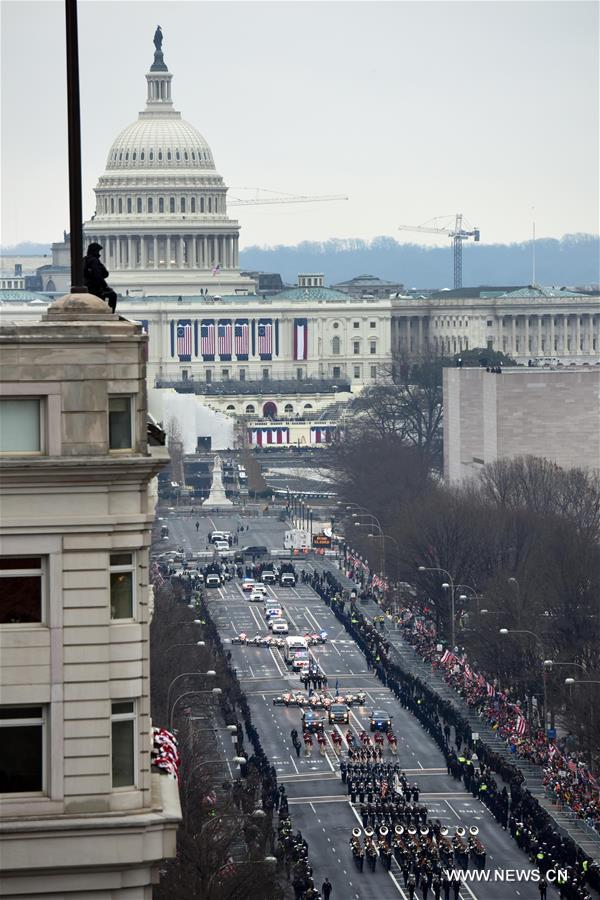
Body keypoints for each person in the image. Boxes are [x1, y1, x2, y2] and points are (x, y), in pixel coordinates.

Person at [83, 243, 117, 313]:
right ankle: (111, 313)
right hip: (93, 288)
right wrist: (106, 287)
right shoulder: (94, 260)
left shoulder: (84, 260)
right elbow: (98, 276)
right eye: (98, 251)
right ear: (95, 251)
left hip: (86, 287)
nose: (99, 254)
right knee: (113, 295)